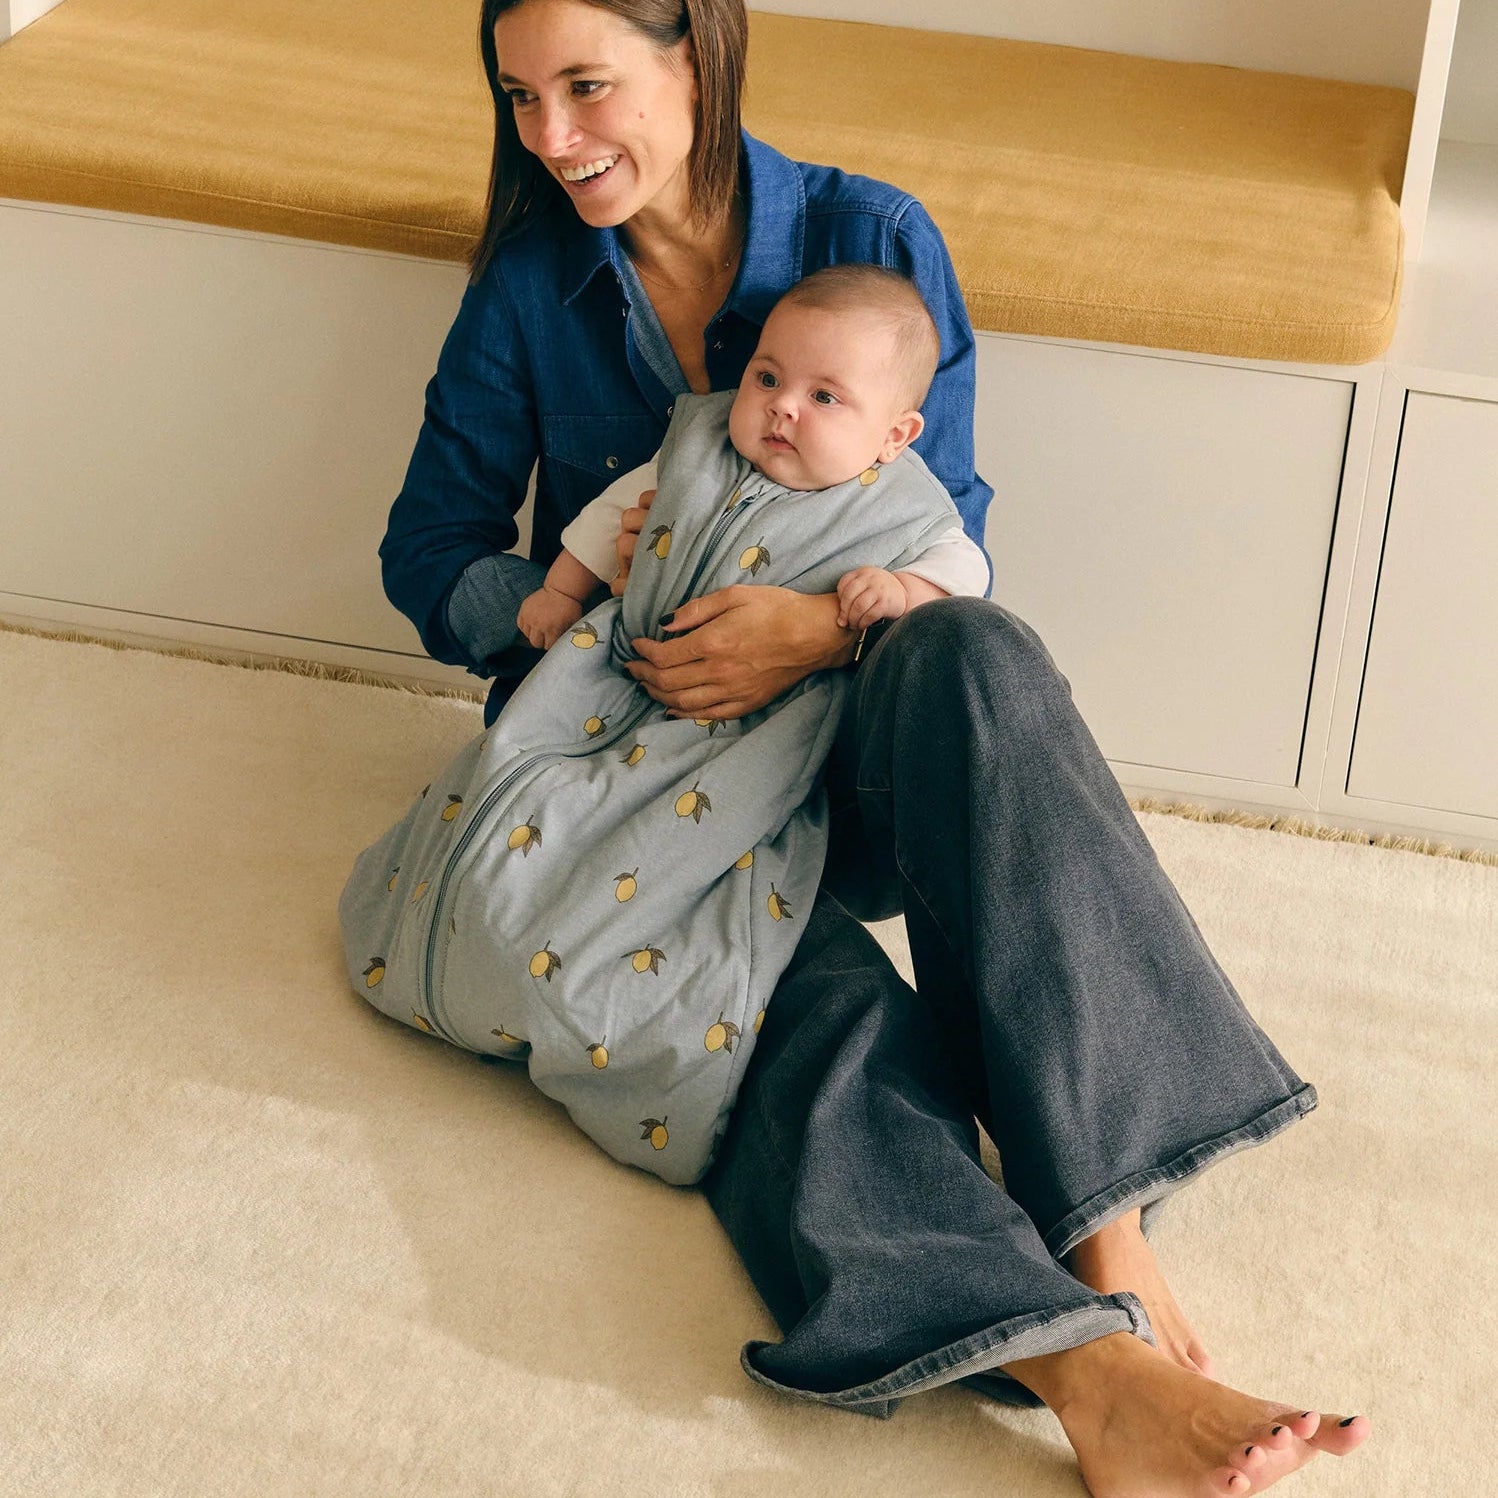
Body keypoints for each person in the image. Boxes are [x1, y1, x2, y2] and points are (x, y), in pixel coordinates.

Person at [376, 0, 1372, 1491]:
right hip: (639, 785)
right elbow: (428, 549)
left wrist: (809, 629)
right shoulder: (532, 278)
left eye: (586, 86)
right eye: (519, 97)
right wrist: (563, 612)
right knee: (762, 1011)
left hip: (849, 748)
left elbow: (943, 537)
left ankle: (1099, 1209)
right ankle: (1087, 1376)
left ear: (696, 52)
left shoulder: (871, 237)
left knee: (979, 653)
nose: (553, 139)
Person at [342, 264, 987, 1185]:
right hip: (609, 682)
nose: (782, 407)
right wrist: (561, 590)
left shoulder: (905, 512)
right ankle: (457, 929)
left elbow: (968, 582)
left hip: (744, 741)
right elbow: (604, 517)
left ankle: (605, 1006)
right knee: (521, 793)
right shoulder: (696, 441)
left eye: (824, 397)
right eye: (767, 377)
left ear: (895, 435)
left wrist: (902, 593)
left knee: (679, 885)